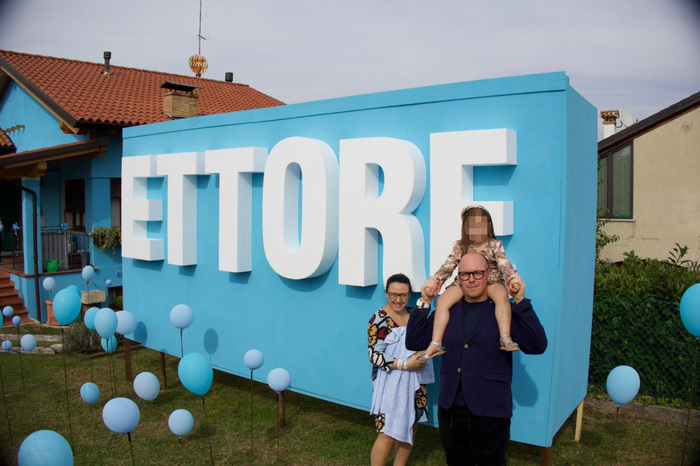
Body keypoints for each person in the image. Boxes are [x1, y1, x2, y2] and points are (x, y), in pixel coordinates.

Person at [406, 252, 547, 465]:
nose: (471, 279)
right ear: (459, 278)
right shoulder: (447, 310)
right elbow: (414, 341)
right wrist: (425, 302)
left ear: (488, 274)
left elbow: (536, 345)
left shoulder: (503, 311)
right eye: (465, 274)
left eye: (477, 273)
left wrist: (520, 301)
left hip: (491, 411)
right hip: (452, 411)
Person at [423, 206, 521, 358]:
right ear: (466, 229)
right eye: (472, 227)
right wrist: (435, 282)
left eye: (481, 226)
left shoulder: (495, 245)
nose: (477, 230)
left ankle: (504, 336)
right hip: (464, 283)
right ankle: (436, 343)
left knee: (502, 296)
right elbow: (448, 267)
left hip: (491, 280)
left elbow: (503, 264)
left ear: (488, 226)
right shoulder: (461, 247)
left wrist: (511, 278)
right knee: (442, 300)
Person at [368, 273, 435, 466]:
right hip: (389, 383)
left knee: (411, 426)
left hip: (416, 380)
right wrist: (405, 364)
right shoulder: (378, 319)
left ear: (409, 295)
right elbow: (374, 355)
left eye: (403, 295)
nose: (398, 299)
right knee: (388, 432)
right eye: (393, 294)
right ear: (386, 293)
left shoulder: (416, 314)